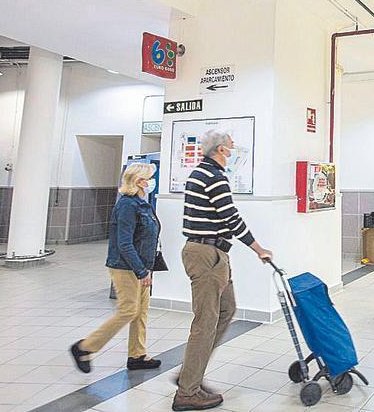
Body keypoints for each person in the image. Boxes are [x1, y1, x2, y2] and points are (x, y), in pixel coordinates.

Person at [173, 129, 273, 411]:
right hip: (207, 255)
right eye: (230, 147)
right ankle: (187, 392)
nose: (233, 152)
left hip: (213, 254)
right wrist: (258, 249)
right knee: (205, 322)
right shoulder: (214, 177)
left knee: (227, 309)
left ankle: (190, 372)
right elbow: (230, 217)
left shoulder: (200, 172)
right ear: (219, 150)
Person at [70, 163, 162, 373]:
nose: (151, 182)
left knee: (141, 312)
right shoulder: (127, 206)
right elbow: (124, 243)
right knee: (129, 310)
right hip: (126, 267)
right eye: (148, 178)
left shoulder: (142, 203)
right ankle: (84, 347)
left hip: (142, 266)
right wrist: (140, 271)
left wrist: (146, 269)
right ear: (139, 181)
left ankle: (137, 355)